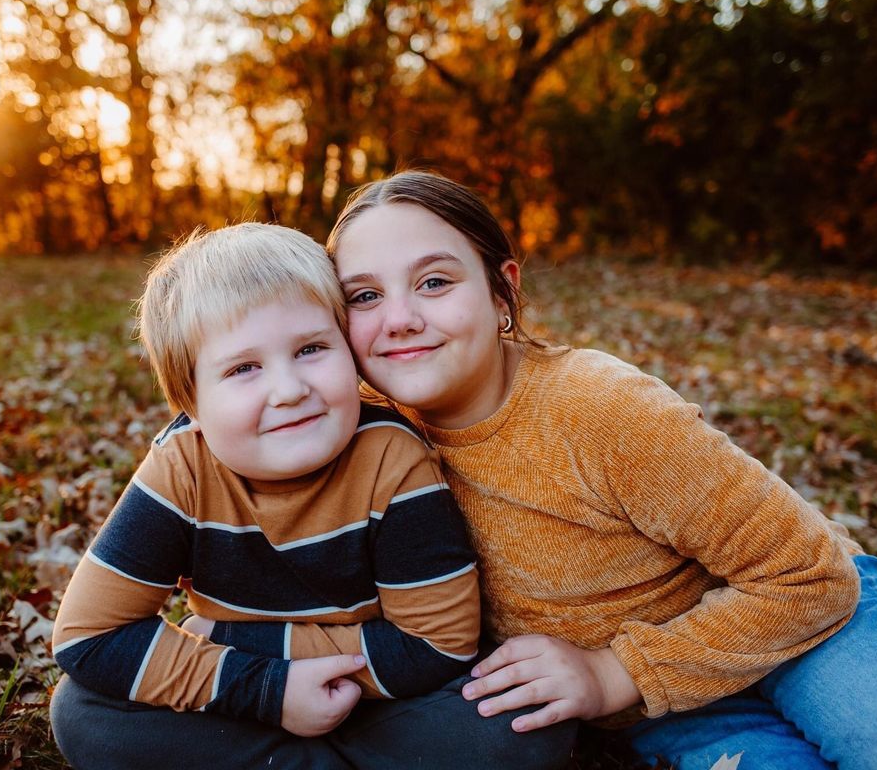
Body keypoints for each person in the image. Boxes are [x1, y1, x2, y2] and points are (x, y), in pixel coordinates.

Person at [326, 170, 877, 770]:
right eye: (365, 296)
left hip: (807, 618)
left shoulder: (598, 409)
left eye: (434, 281)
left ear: (500, 290)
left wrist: (609, 672)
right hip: (671, 705)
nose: (399, 317)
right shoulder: (369, 442)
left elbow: (810, 577)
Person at [48, 223, 576, 769]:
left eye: (311, 349)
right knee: (84, 710)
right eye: (244, 368)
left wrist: (240, 643)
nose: (290, 389)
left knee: (521, 722)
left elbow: (438, 646)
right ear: (193, 404)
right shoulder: (183, 468)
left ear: (348, 352)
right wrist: (269, 691)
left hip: (385, 700)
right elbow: (88, 635)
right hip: (245, 702)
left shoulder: (390, 458)